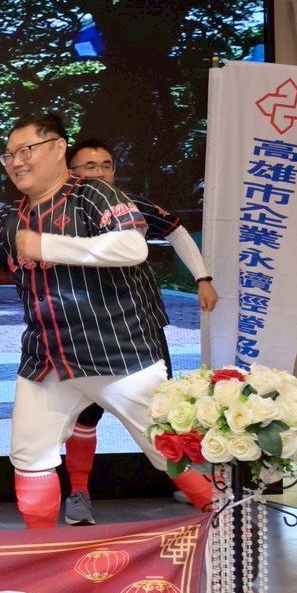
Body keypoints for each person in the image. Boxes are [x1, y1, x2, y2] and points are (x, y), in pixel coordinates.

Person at [0, 114, 213, 529]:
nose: (17, 161)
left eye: (26, 150)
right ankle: (42, 553)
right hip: (46, 360)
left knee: (167, 449)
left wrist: (47, 245)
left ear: (59, 148)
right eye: (9, 155)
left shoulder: (93, 193)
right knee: (29, 455)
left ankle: (228, 530)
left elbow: (132, 246)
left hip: (119, 354)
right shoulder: (11, 216)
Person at [59, 137, 221, 524]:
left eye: (106, 165)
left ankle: (191, 484)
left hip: (143, 326)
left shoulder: (132, 205)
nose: (99, 172)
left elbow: (176, 230)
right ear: (71, 173)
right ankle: (79, 493)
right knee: (86, 414)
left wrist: (202, 277)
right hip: (89, 332)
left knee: (162, 409)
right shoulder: (59, 216)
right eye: (89, 166)